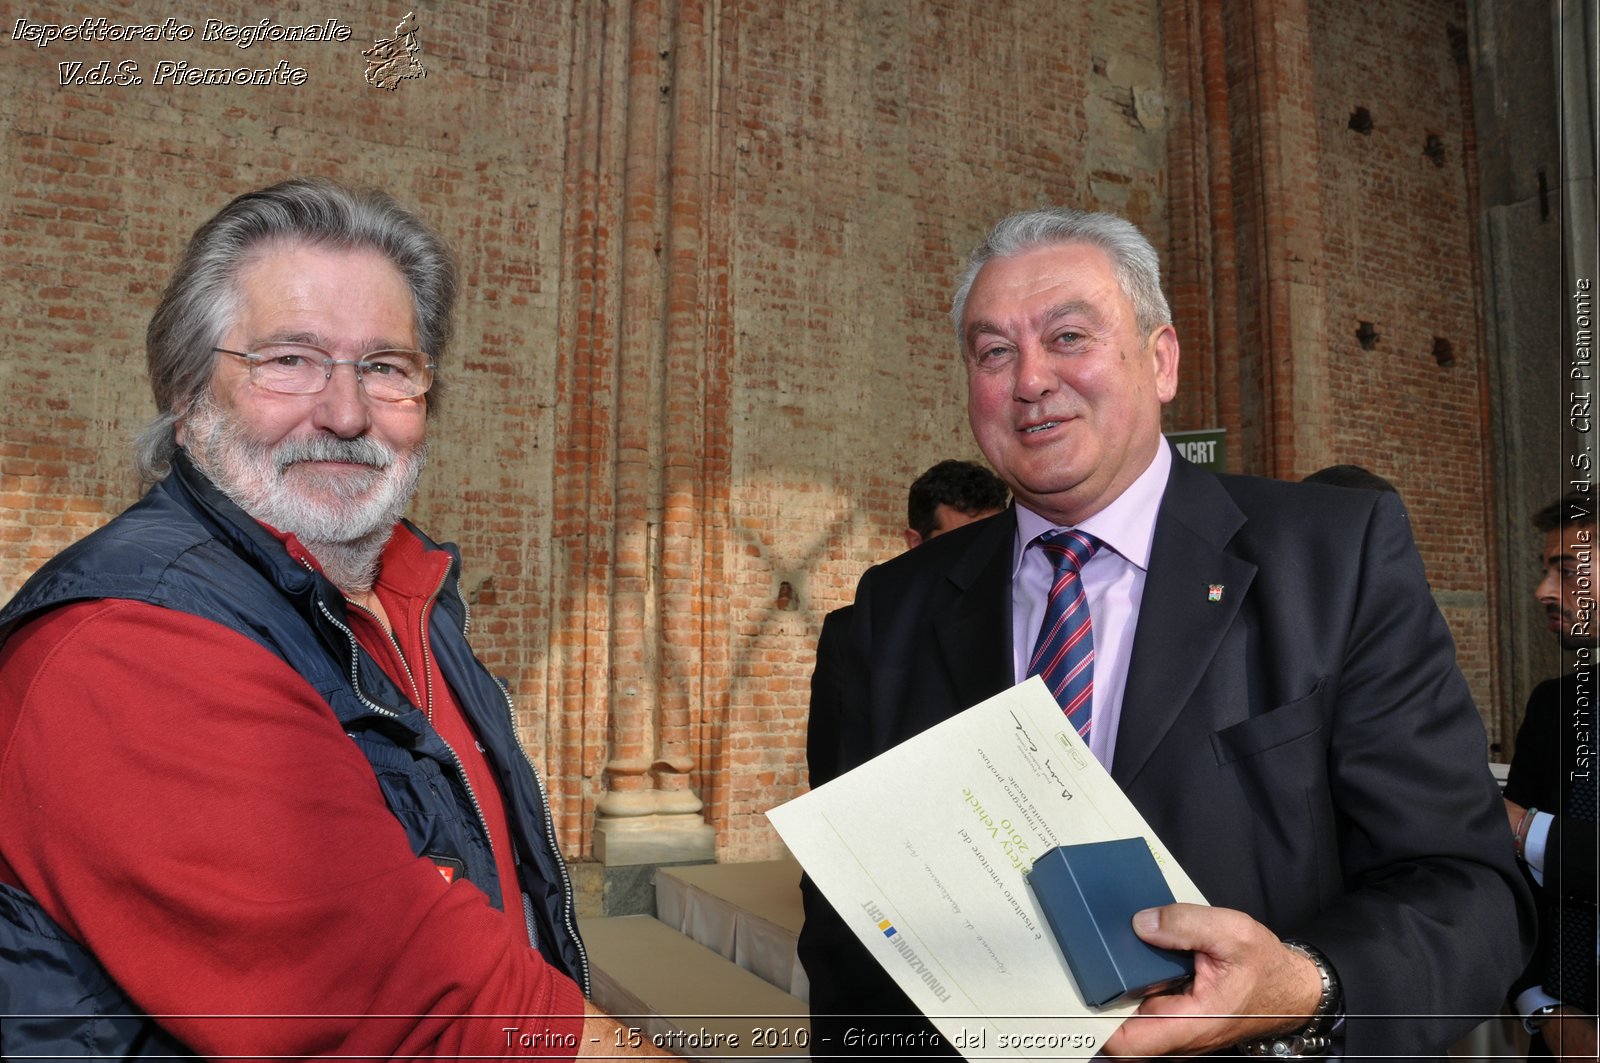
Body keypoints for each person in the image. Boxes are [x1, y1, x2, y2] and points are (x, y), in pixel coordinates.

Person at [796, 206, 1535, 1059]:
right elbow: (850, 928)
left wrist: (1306, 985)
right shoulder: (891, 609)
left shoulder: (1335, 559)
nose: (1030, 378)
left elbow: (1470, 889)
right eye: (993, 351)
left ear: (1162, 359)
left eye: (1069, 335)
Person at [0, 179, 659, 1059]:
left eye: (384, 367)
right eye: (288, 360)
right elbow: (425, 1014)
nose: (346, 414)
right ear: (190, 390)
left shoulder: (409, 597)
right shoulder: (129, 644)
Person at [808, 460, 1006, 785]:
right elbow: (829, 771)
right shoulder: (848, 631)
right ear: (915, 543)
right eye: (962, 545)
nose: (980, 560)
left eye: (992, 543)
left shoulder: (1033, 622)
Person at [1503, 493, 1599, 1059]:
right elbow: (1506, 880)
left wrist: (1524, 829)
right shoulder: (1552, 707)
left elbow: (1508, 833)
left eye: (1565, 571)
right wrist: (1545, 1008)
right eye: (1545, 570)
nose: (1543, 591)